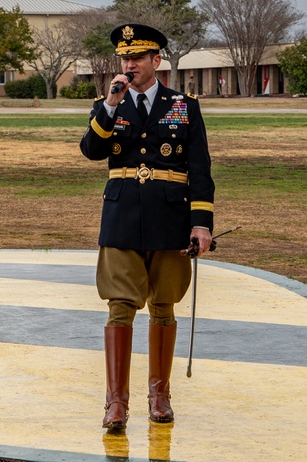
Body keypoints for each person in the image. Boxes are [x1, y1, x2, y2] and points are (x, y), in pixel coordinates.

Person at [79, 23, 214, 431]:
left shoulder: (183, 105)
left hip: (169, 216)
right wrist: (109, 105)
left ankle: (160, 395)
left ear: (157, 61)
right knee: (120, 306)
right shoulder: (110, 103)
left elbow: (201, 168)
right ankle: (116, 403)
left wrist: (201, 224)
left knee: (164, 305)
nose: (130, 64)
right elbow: (91, 150)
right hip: (121, 216)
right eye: (125, 58)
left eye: (138, 57)